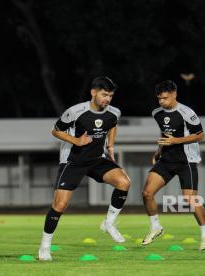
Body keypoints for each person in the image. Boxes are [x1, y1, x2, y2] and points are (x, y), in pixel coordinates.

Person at [38, 76, 131, 261]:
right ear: (93, 92)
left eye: (110, 96)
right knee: (60, 205)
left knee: (124, 182)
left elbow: (113, 125)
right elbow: (56, 130)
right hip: (73, 160)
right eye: (104, 95)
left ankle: (109, 223)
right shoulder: (75, 111)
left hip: (97, 159)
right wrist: (76, 141)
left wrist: (111, 146)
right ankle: (44, 247)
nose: (107, 99)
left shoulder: (114, 112)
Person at [141, 80, 205, 251]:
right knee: (147, 193)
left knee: (190, 199)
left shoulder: (187, 112)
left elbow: (200, 135)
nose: (161, 102)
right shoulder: (157, 113)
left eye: (165, 98)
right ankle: (155, 226)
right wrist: (159, 150)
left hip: (186, 161)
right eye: (159, 99)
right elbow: (165, 133)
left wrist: (176, 141)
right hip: (166, 160)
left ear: (174, 94)